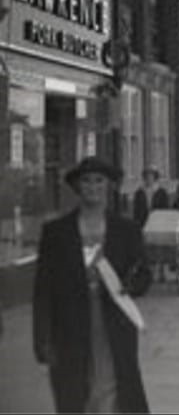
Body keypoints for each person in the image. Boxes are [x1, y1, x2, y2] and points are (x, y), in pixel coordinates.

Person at [33, 156, 152, 413]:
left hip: (113, 322)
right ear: (77, 187)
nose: (93, 187)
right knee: (75, 389)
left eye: (99, 181)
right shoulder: (56, 233)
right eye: (86, 181)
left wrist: (129, 285)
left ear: (108, 185)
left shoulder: (126, 230)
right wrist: (42, 339)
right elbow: (43, 290)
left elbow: (144, 274)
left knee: (113, 386)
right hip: (70, 325)